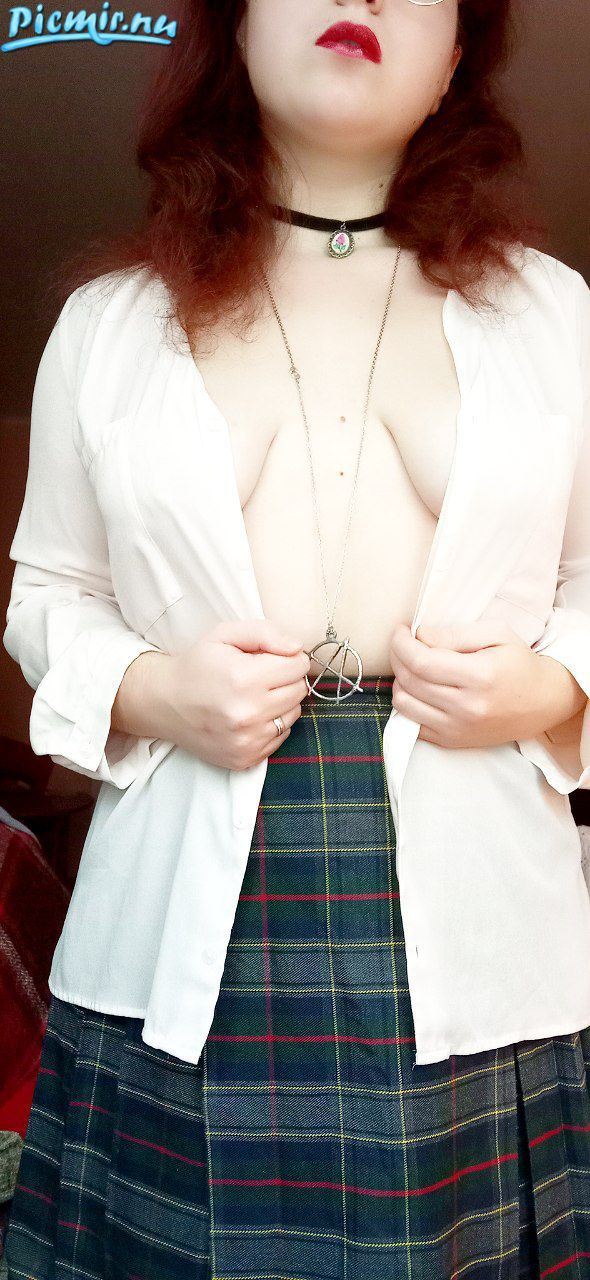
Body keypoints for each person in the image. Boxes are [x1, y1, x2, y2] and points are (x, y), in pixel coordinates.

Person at [4, 0, 590, 1275]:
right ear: (232, 32)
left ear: (455, 59)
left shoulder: (556, 317)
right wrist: (154, 690)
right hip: (179, 889)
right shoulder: (109, 323)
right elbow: (47, 589)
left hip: (480, 887)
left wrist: (548, 687)